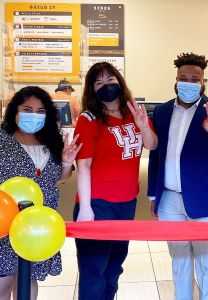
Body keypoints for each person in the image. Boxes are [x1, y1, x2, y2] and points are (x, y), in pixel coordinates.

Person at [147, 52, 208, 300]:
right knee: (179, 259)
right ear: (175, 80)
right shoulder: (162, 111)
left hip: (206, 199)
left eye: (195, 78)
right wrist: (152, 194)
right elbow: (157, 153)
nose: (188, 83)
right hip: (169, 199)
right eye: (183, 77)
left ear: (203, 82)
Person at [73, 62, 157, 300]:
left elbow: (151, 145)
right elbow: (84, 165)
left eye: (110, 80)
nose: (106, 86)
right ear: (91, 90)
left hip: (126, 203)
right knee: (93, 270)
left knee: (114, 267)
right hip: (97, 204)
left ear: (119, 81)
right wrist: (86, 208)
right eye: (98, 83)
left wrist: (143, 127)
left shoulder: (135, 112)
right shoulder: (88, 120)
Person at [0, 86, 81, 300]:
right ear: (14, 111)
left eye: (40, 111)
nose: (33, 116)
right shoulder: (3, 140)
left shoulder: (52, 141)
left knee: (29, 280)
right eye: (27, 109)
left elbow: (61, 178)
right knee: (3, 281)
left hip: (38, 227)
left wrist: (66, 161)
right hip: (5, 225)